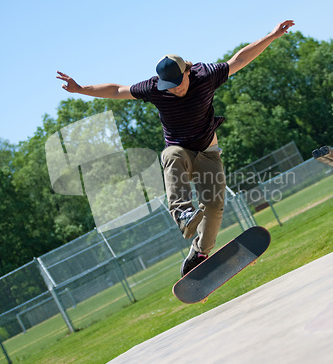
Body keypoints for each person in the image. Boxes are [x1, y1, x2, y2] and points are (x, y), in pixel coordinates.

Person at [57, 20, 294, 276]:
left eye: (178, 84)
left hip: (208, 153)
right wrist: (81, 89)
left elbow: (239, 59)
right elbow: (117, 90)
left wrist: (271, 36)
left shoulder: (206, 75)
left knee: (214, 206)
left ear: (188, 72)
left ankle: (200, 252)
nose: (174, 90)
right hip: (180, 153)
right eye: (168, 87)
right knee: (171, 153)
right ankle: (182, 213)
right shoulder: (155, 88)